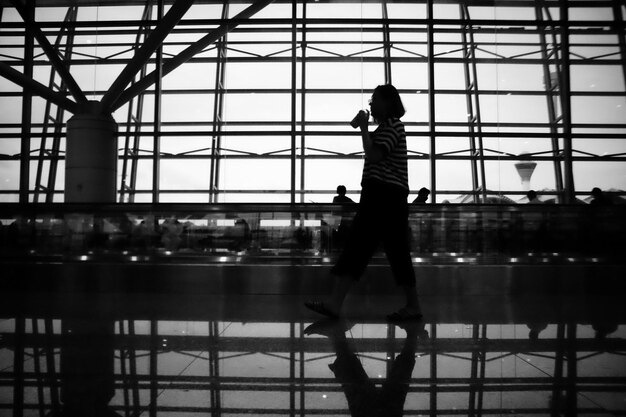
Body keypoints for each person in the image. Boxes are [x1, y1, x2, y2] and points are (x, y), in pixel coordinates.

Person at [305, 84, 422, 321]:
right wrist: (366, 129)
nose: (371, 103)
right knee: (375, 250)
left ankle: (336, 304)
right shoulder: (387, 128)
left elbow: (374, 155)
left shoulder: (393, 126)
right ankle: (411, 306)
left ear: (388, 102)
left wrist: (364, 129)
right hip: (383, 197)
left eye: (375, 99)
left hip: (385, 197)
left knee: (365, 248)